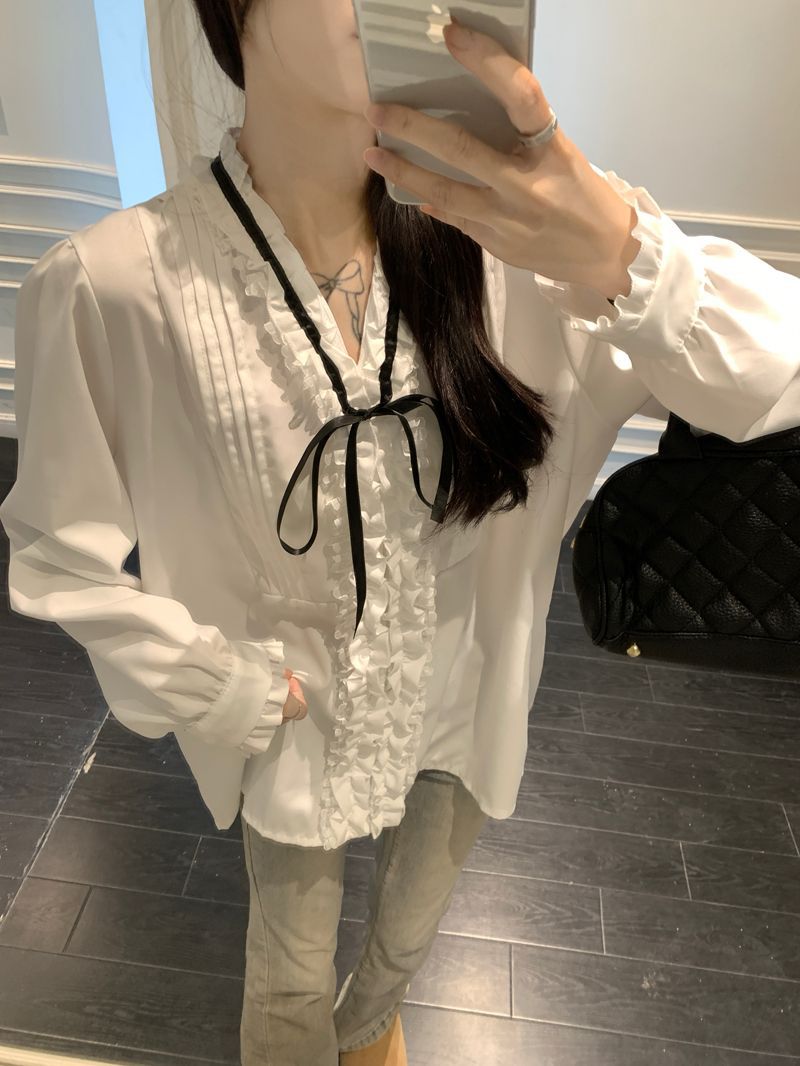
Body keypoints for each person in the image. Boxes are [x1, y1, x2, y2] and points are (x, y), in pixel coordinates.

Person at [2, 1, 799, 1063]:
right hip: (294, 724)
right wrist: (218, 686)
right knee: (287, 968)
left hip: (468, 698)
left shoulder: (521, 256)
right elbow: (59, 556)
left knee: (403, 944)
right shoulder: (113, 283)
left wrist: (620, 252)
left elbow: (777, 377)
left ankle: (373, 1024)